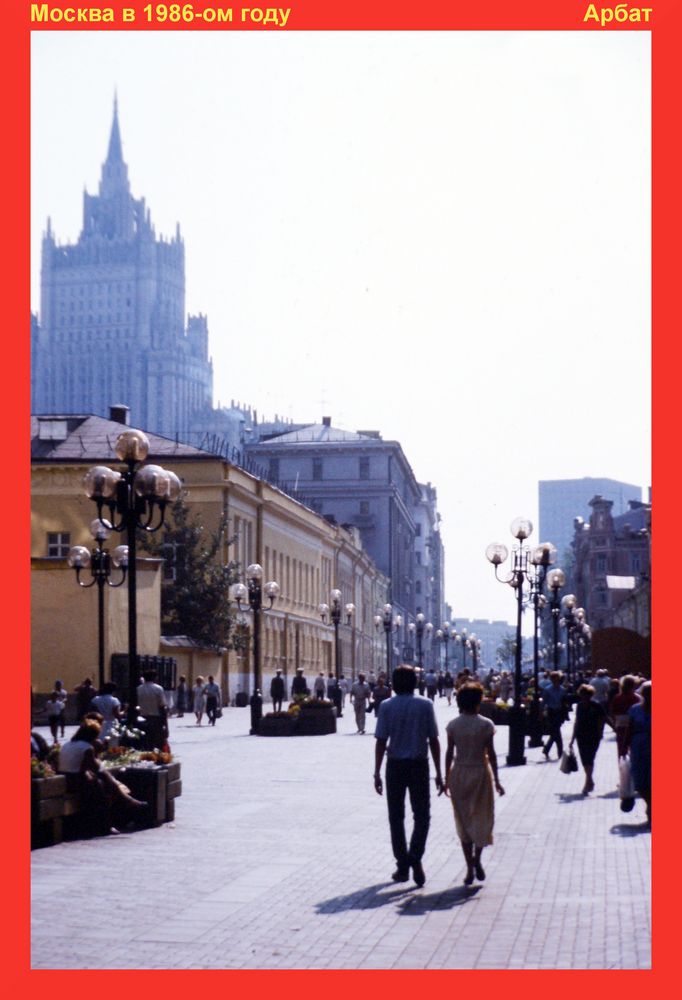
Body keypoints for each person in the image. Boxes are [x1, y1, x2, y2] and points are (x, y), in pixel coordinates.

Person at [374, 665, 444, 887]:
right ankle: (415, 856)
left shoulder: (386, 706)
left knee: (396, 816)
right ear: (414, 682)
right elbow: (433, 739)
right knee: (422, 815)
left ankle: (402, 864)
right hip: (418, 765)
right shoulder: (425, 705)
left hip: (394, 765)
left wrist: (376, 772)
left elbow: (381, 740)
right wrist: (439, 772)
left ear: (394, 683)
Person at [444, 683, 505, 885]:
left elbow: (448, 753)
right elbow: (493, 755)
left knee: (462, 819)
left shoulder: (453, 725)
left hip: (459, 773)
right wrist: (497, 781)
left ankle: (469, 867)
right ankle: (477, 859)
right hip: (480, 772)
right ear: (479, 702)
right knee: (482, 817)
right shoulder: (486, 725)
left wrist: (446, 778)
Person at [57, 720, 148, 836]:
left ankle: (127, 800)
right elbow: (95, 768)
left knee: (103, 781)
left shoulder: (67, 745)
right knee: (104, 787)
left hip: (65, 780)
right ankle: (108, 823)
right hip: (77, 782)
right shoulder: (87, 747)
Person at [568, 684, 614, 795]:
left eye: (586, 695)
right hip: (581, 735)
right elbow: (577, 722)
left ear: (590, 695)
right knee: (585, 759)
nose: (584, 698)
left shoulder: (596, 705)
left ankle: (588, 781)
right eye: (582, 695)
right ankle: (589, 780)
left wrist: (614, 728)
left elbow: (605, 718)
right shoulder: (579, 706)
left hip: (594, 735)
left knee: (590, 757)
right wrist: (572, 738)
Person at [624, 681, 651, 823]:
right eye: (647, 693)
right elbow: (630, 728)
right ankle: (650, 803)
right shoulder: (635, 709)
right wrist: (624, 746)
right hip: (638, 747)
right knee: (639, 780)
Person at [541, 671, 568, 761]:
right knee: (556, 732)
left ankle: (547, 749)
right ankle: (560, 752)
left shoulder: (563, 690)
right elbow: (543, 702)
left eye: (557, 678)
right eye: (553, 678)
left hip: (559, 712)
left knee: (554, 733)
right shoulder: (547, 690)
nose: (555, 680)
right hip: (551, 712)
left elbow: (565, 702)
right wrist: (541, 712)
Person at [137, 670, 168, 749]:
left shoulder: (138, 689)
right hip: (155, 719)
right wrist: (166, 725)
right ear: (155, 678)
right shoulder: (158, 689)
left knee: (144, 742)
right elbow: (162, 706)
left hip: (141, 719)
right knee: (157, 743)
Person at [611, 675, 641, 758]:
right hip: (634, 724)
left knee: (621, 747)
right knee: (633, 746)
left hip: (620, 724)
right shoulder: (636, 698)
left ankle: (622, 764)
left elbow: (613, 712)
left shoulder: (617, 698)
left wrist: (614, 723)